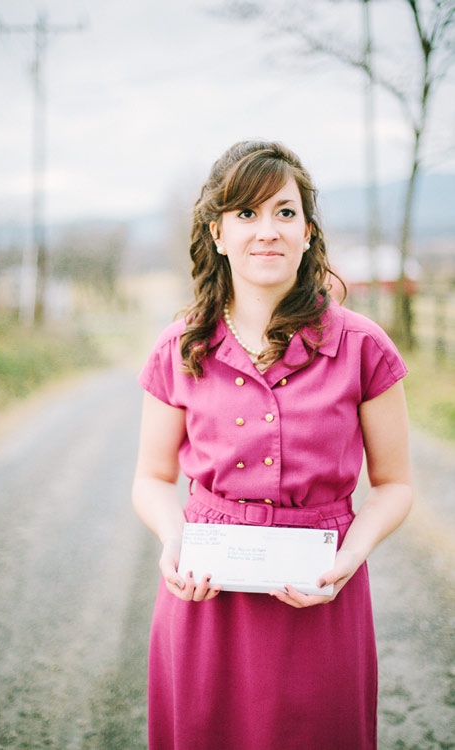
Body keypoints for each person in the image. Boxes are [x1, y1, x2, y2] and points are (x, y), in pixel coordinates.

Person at [132, 140, 412, 750]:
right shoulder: (180, 347)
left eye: (285, 213)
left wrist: (348, 559)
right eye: (247, 214)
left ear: (308, 232)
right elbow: (151, 478)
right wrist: (174, 540)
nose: (268, 231)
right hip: (208, 597)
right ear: (218, 231)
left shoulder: (362, 346)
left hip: (320, 593)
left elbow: (395, 486)